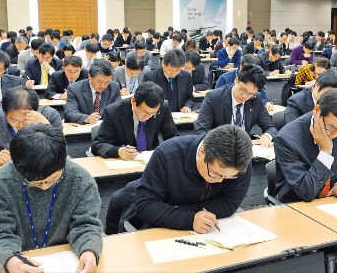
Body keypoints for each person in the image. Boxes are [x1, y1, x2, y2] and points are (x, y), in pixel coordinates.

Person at [0, 124, 103, 273]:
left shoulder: (80, 180)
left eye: (53, 180)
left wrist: (89, 250)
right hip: (22, 260)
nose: (45, 187)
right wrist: (9, 260)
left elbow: (86, 225)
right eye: (37, 183)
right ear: (18, 168)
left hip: (66, 262)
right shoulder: (0, 183)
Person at [124, 125, 252, 232]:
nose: (220, 180)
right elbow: (145, 205)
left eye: (229, 177)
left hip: (206, 227)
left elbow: (229, 204)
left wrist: (187, 212)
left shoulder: (239, 163)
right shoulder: (167, 154)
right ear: (202, 151)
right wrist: (190, 219)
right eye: (215, 174)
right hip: (164, 228)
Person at [275, 88, 337, 203]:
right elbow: (306, 191)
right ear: (316, 111)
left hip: (333, 202)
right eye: (331, 128)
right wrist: (325, 152)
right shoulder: (286, 139)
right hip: (297, 205)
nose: (335, 134)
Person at [0, 86, 61, 167]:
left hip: (42, 171)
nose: (20, 125)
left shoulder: (50, 115)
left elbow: (61, 154)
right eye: (14, 120)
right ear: (4, 112)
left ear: (36, 110)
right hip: (6, 172)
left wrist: (46, 126)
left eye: (25, 119)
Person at [195, 64, 277, 148]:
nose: (244, 96)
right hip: (220, 150)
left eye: (251, 93)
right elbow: (201, 131)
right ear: (236, 80)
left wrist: (266, 136)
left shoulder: (256, 99)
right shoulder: (213, 98)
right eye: (243, 89)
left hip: (246, 151)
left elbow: (270, 127)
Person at [92, 81, 177, 160]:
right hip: (124, 164)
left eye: (153, 113)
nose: (147, 117)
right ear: (133, 101)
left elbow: (172, 137)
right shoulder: (113, 111)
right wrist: (118, 151)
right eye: (144, 112)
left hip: (150, 161)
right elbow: (98, 144)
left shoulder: (163, 107)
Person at [64, 59, 121, 124]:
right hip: (84, 130)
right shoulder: (74, 88)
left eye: (107, 82)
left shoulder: (114, 87)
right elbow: (70, 112)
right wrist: (87, 118)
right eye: (99, 81)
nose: (103, 85)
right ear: (90, 76)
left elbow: (119, 109)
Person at [142, 48, 194, 112]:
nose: (174, 74)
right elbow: (144, 101)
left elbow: (190, 98)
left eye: (177, 71)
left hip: (179, 116)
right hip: (158, 117)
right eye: (170, 71)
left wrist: (187, 106)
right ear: (163, 63)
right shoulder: (150, 77)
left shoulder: (186, 76)